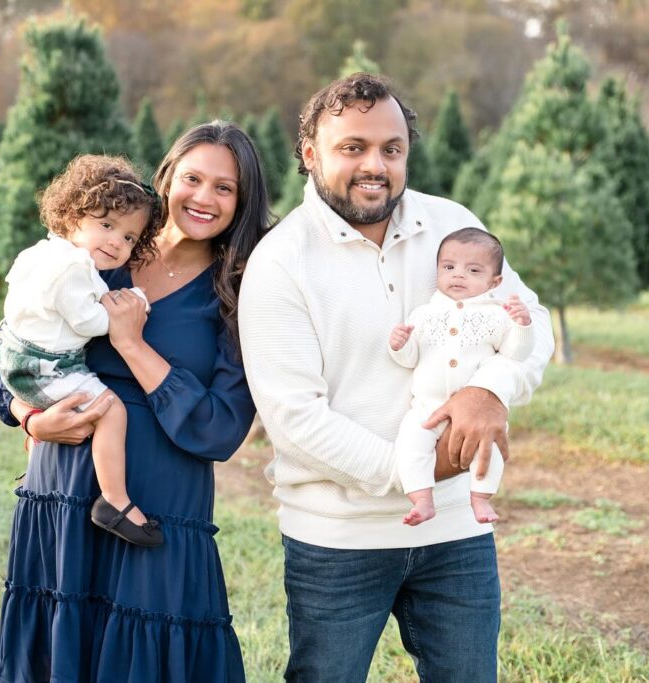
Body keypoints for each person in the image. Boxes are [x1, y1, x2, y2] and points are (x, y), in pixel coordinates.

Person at [238, 73, 554, 682]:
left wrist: (492, 390)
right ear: (310, 154)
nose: (375, 165)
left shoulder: (451, 224)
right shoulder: (281, 261)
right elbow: (295, 418)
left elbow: (526, 317)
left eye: (391, 148)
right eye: (352, 148)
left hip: (457, 530)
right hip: (338, 539)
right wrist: (415, 472)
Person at [0, 121, 269, 682]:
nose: (204, 197)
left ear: (243, 200)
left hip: (158, 507)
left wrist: (132, 345)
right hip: (62, 491)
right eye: (192, 178)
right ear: (166, 178)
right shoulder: (105, 248)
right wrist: (30, 417)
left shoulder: (239, 290)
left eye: (225, 187)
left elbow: (222, 428)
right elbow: (3, 345)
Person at [0, 154, 164, 547]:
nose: (116, 242)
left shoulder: (44, 252)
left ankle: (38, 442)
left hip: (17, 355)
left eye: (128, 237)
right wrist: (129, 313)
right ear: (72, 218)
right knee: (111, 411)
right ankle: (114, 501)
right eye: (106, 225)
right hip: (46, 367)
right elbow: (89, 321)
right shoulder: (73, 268)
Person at [389, 228, 533, 527]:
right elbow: (411, 358)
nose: (458, 275)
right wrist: (400, 345)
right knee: (411, 442)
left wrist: (522, 324)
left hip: (478, 411)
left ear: (495, 282)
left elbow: (515, 354)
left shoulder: (497, 315)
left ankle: (481, 497)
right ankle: (422, 498)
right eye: (449, 267)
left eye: (473, 270)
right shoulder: (424, 313)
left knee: (488, 447)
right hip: (427, 408)